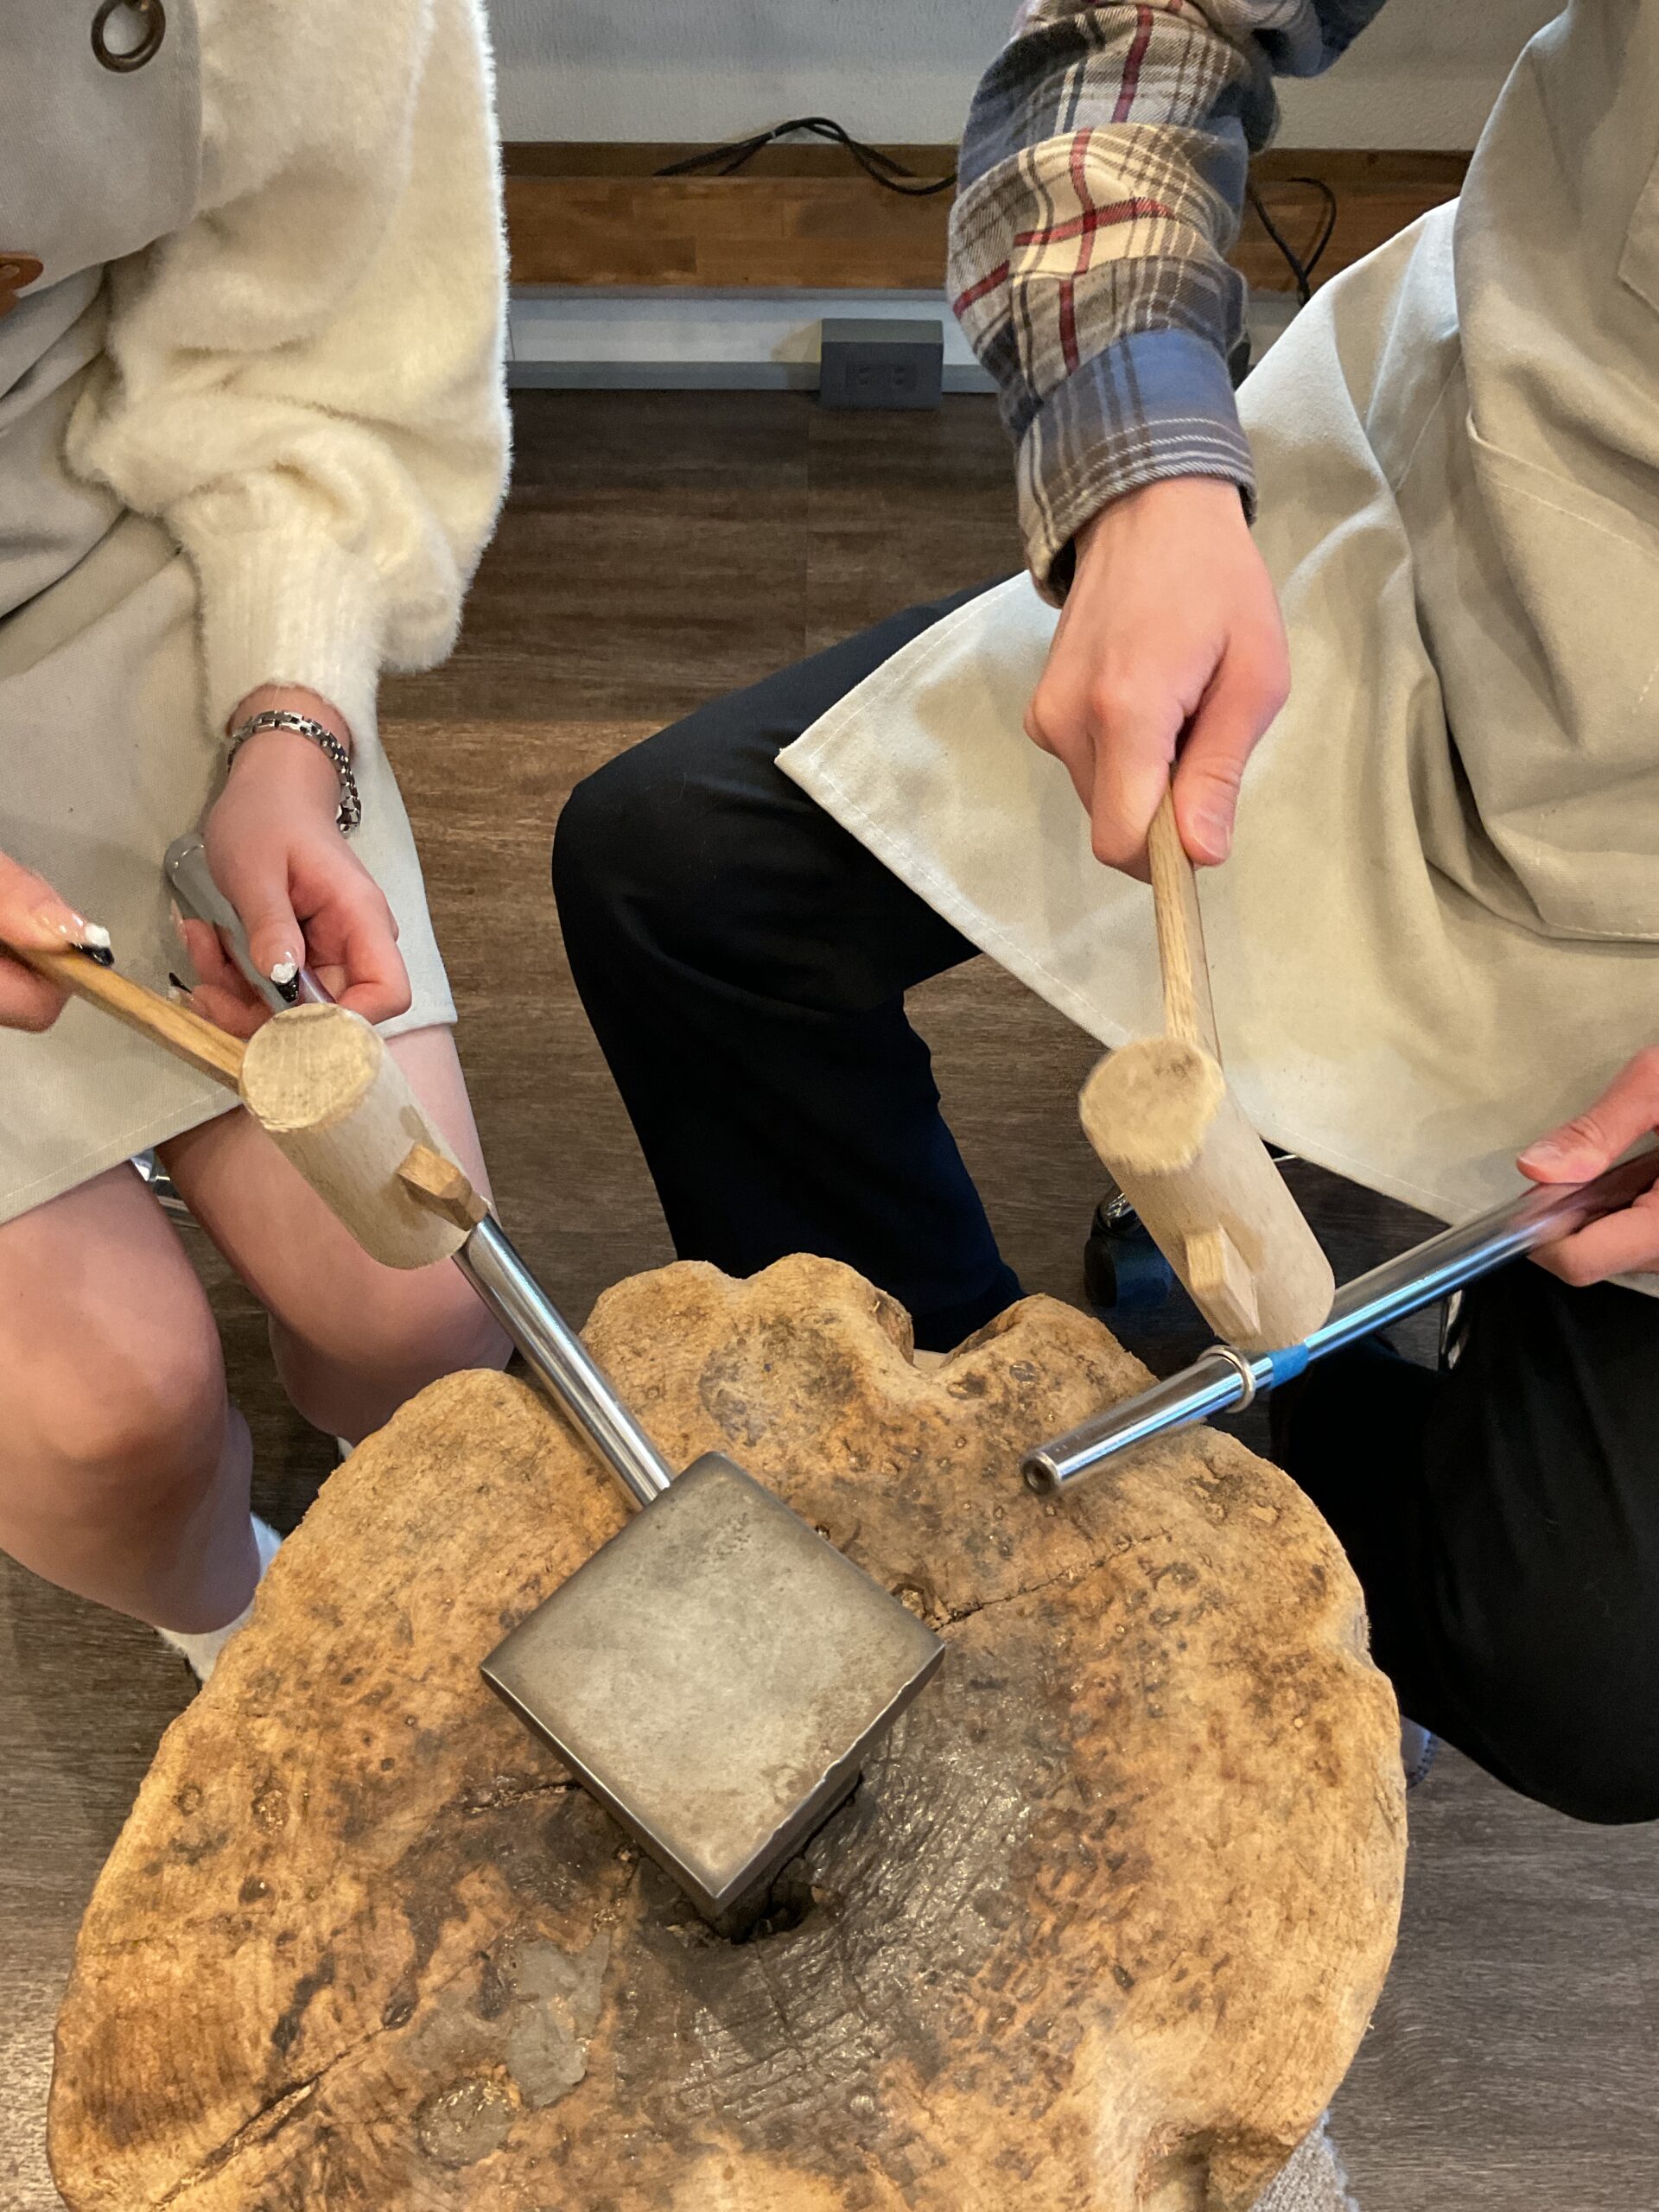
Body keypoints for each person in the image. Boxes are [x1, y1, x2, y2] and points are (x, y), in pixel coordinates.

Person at [553, 0, 1659, 1825]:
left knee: (1591, 1669)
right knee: (678, 868)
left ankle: (1271, 1481)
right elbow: (1148, 26)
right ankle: (975, 1432)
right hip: (1447, 547)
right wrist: (1142, 460)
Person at [0, 0, 512, 1678]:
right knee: (111, 1416)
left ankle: (381, 1531)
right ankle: (234, 1616)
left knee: (421, 1292)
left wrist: (291, 730)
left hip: (84, 530)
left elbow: (316, 347)